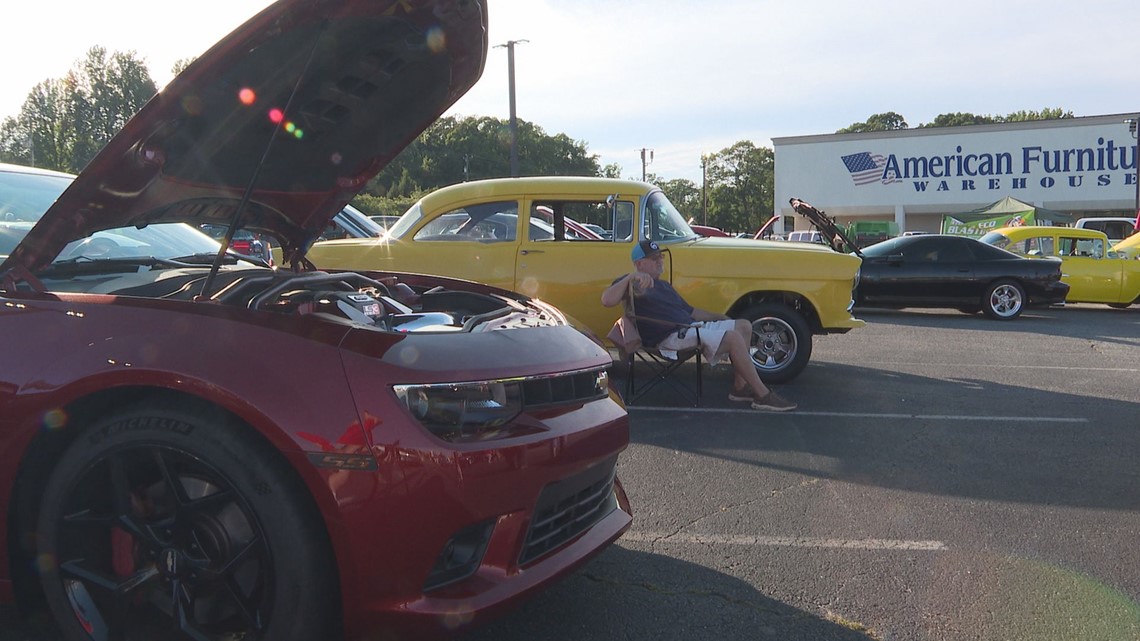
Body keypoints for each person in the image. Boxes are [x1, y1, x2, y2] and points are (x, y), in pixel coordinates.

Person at [601, 240, 797, 412]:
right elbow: (607, 301)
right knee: (733, 338)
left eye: (660, 256)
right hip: (669, 336)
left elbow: (692, 312)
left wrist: (720, 317)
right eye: (654, 258)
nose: (660, 260)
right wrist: (629, 278)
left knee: (743, 326)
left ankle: (739, 388)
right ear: (639, 263)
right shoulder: (631, 283)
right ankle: (763, 395)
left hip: (689, 327)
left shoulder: (664, 286)